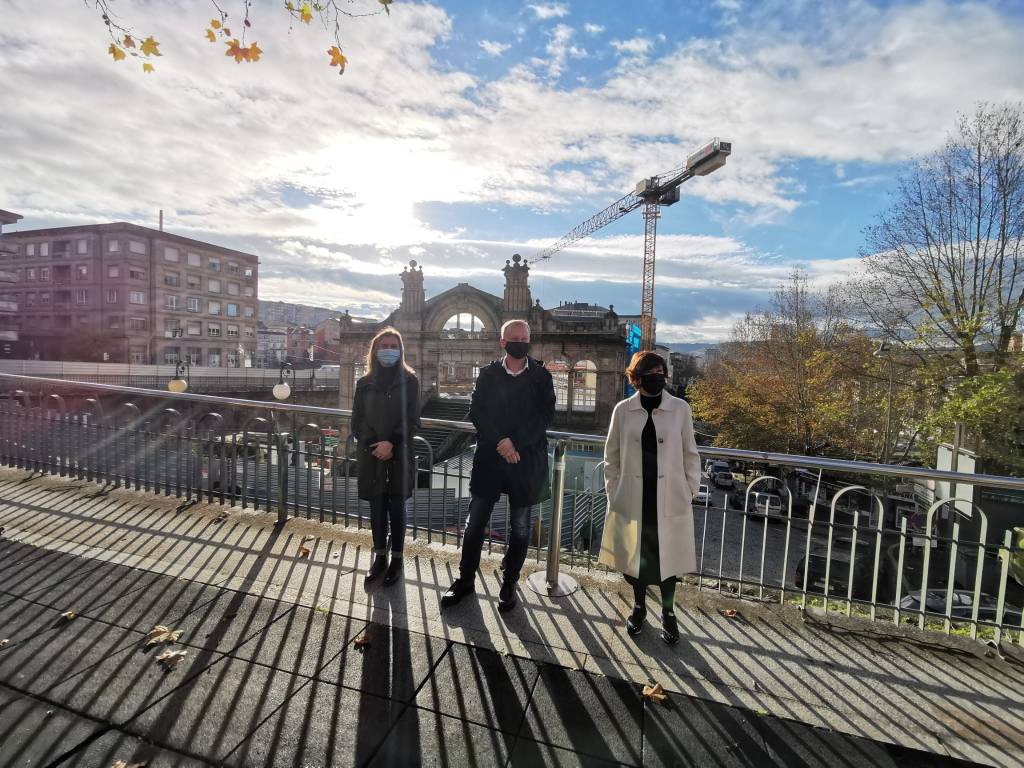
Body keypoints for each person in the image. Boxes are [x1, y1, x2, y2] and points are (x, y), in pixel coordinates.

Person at [441, 319, 555, 612]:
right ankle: (465, 580)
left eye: (524, 338)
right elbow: (477, 412)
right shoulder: (488, 374)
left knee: (520, 528)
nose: (520, 342)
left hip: (524, 460)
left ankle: (509, 583)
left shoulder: (542, 376)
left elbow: (544, 417)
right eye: (514, 338)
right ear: (503, 342)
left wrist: (513, 442)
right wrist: (502, 443)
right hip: (491, 459)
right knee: (474, 524)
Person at [598, 350, 702, 644]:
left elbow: (690, 452)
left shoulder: (680, 408)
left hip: (669, 498)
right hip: (633, 499)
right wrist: (614, 490)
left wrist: (690, 489)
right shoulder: (623, 410)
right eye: (650, 373)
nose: (657, 377)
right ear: (636, 377)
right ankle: (639, 606)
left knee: (668, 563)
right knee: (637, 561)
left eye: (661, 372)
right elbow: (611, 456)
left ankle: (669, 613)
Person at [351, 327, 421, 586]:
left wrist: (391, 442)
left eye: (393, 346)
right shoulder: (363, 383)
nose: (389, 350)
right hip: (372, 454)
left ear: (400, 351)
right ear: (375, 350)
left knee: (397, 507)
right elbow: (357, 421)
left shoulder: (410, 381)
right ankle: (380, 557)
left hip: (399, 452)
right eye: (384, 346)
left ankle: (397, 560)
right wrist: (375, 444)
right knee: (377, 506)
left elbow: (412, 419)